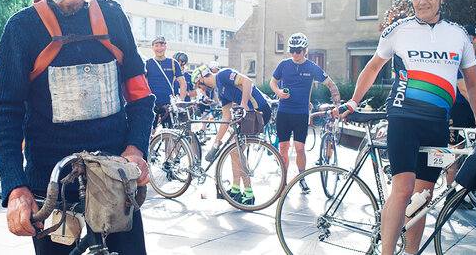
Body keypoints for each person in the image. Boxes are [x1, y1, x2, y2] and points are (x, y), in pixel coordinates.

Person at [0, 0, 154, 254]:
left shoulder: (114, 17)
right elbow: (5, 114)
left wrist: (135, 149)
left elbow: (139, 95)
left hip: (115, 182)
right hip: (51, 187)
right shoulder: (21, 29)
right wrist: (15, 186)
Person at [339, 0, 476, 255]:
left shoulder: (457, 36)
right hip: (403, 118)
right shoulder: (398, 30)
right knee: (404, 188)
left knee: (423, 197)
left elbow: (473, 83)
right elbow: (372, 67)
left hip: (438, 123)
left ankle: (410, 253)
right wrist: (354, 102)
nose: (422, 2)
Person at [269, 32, 341, 193]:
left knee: (300, 148)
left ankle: (301, 178)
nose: (295, 53)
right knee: (283, 148)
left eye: (298, 50)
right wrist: (278, 92)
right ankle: (283, 181)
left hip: (301, 113)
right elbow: (272, 82)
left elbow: (331, 84)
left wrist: (338, 105)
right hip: (284, 112)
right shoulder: (283, 64)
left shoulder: (311, 67)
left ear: (305, 50)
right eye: (292, 50)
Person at [192, 65, 272, 204]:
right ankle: (236, 189)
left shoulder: (223, 75)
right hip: (249, 113)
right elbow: (226, 118)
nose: (201, 89)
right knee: (233, 148)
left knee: (237, 150)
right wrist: (216, 142)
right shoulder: (221, 92)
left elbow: (247, 81)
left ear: (202, 78)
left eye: (199, 85)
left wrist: (243, 104)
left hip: (259, 110)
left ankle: (249, 193)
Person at [445, 24, 476, 204]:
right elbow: (464, 88)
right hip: (458, 107)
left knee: (473, 150)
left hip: (475, 107)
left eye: (469, 38)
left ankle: (468, 191)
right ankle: (449, 193)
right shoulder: (458, 56)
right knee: (455, 152)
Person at [145, 36, 186, 131]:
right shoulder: (148, 63)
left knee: (170, 132)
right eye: (157, 46)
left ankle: (168, 146)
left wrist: (181, 101)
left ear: (166, 47)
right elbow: (142, 83)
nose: (159, 48)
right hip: (152, 103)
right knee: (149, 133)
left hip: (168, 104)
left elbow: (182, 83)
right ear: (153, 48)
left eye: (162, 45)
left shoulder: (173, 63)